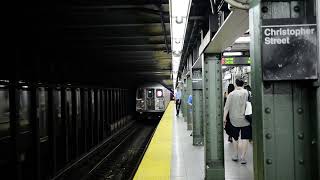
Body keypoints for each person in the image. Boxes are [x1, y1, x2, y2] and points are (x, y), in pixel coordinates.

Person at [223, 78, 251, 164]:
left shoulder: (231, 94)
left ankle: (235, 155)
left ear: (235, 84)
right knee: (245, 138)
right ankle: (243, 157)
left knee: (235, 138)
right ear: (243, 84)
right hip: (246, 119)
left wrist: (224, 119)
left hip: (234, 120)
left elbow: (226, 108)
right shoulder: (248, 93)